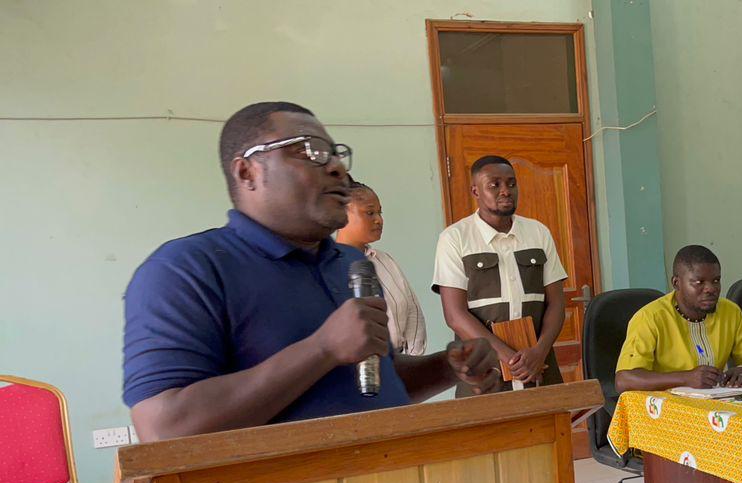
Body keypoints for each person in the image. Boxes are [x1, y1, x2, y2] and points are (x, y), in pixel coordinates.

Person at [122, 101, 499, 442]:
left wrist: (445, 367)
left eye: (337, 154)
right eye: (309, 151)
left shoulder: (350, 264)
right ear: (247, 172)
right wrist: (322, 348)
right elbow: (162, 427)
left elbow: (366, 384)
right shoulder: (185, 270)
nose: (336, 167)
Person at [433, 156, 567, 390]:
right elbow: (455, 315)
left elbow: (556, 303)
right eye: (494, 185)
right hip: (484, 372)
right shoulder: (455, 238)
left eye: (511, 184)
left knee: (550, 425)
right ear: (475, 191)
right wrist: (510, 358)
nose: (505, 191)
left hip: (539, 366)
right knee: (488, 427)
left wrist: (539, 352)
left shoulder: (538, 232)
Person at [615, 245, 742, 393]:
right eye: (699, 282)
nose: (710, 289)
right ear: (676, 283)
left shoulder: (730, 311)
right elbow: (624, 380)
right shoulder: (650, 318)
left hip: (716, 404)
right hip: (663, 408)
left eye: (716, 280)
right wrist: (685, 378)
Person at [335, 178, 428, 355]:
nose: (379, 220)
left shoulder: (385, 261)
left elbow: (413, 314)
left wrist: (412, 361)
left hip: (401, 368)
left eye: (380, 212)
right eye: (369, 213)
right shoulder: (330, 266)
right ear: (342, 215)